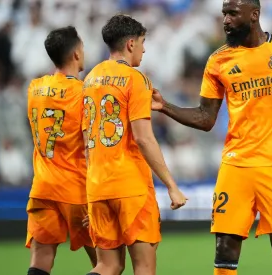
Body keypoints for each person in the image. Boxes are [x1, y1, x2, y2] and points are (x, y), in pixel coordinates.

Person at [151, 0, 272, 274]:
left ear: (254, 14)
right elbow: (205, 117)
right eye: (224, 13)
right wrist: (165, 106)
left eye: (232, 13)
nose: (225, 20)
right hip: (236, 166)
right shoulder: (218, 60)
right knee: (225, 250)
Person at [83, 14, 187, 275]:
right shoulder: (135, 79)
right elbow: (143, 137)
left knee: (107, 266)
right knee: (143, 267)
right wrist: (172, 186)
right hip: (131, 187)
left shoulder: (90, 79)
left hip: (97, 185)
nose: (144, 48)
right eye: (142, 42)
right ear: (130, 44)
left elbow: (86, 141)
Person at [25, 26, 97, 275]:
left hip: (43, 186)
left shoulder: (34, 88)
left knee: (41, 260)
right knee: (108, 263)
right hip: (77, 190)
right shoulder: (83, 92)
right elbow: (90, 147)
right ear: (76, 54)